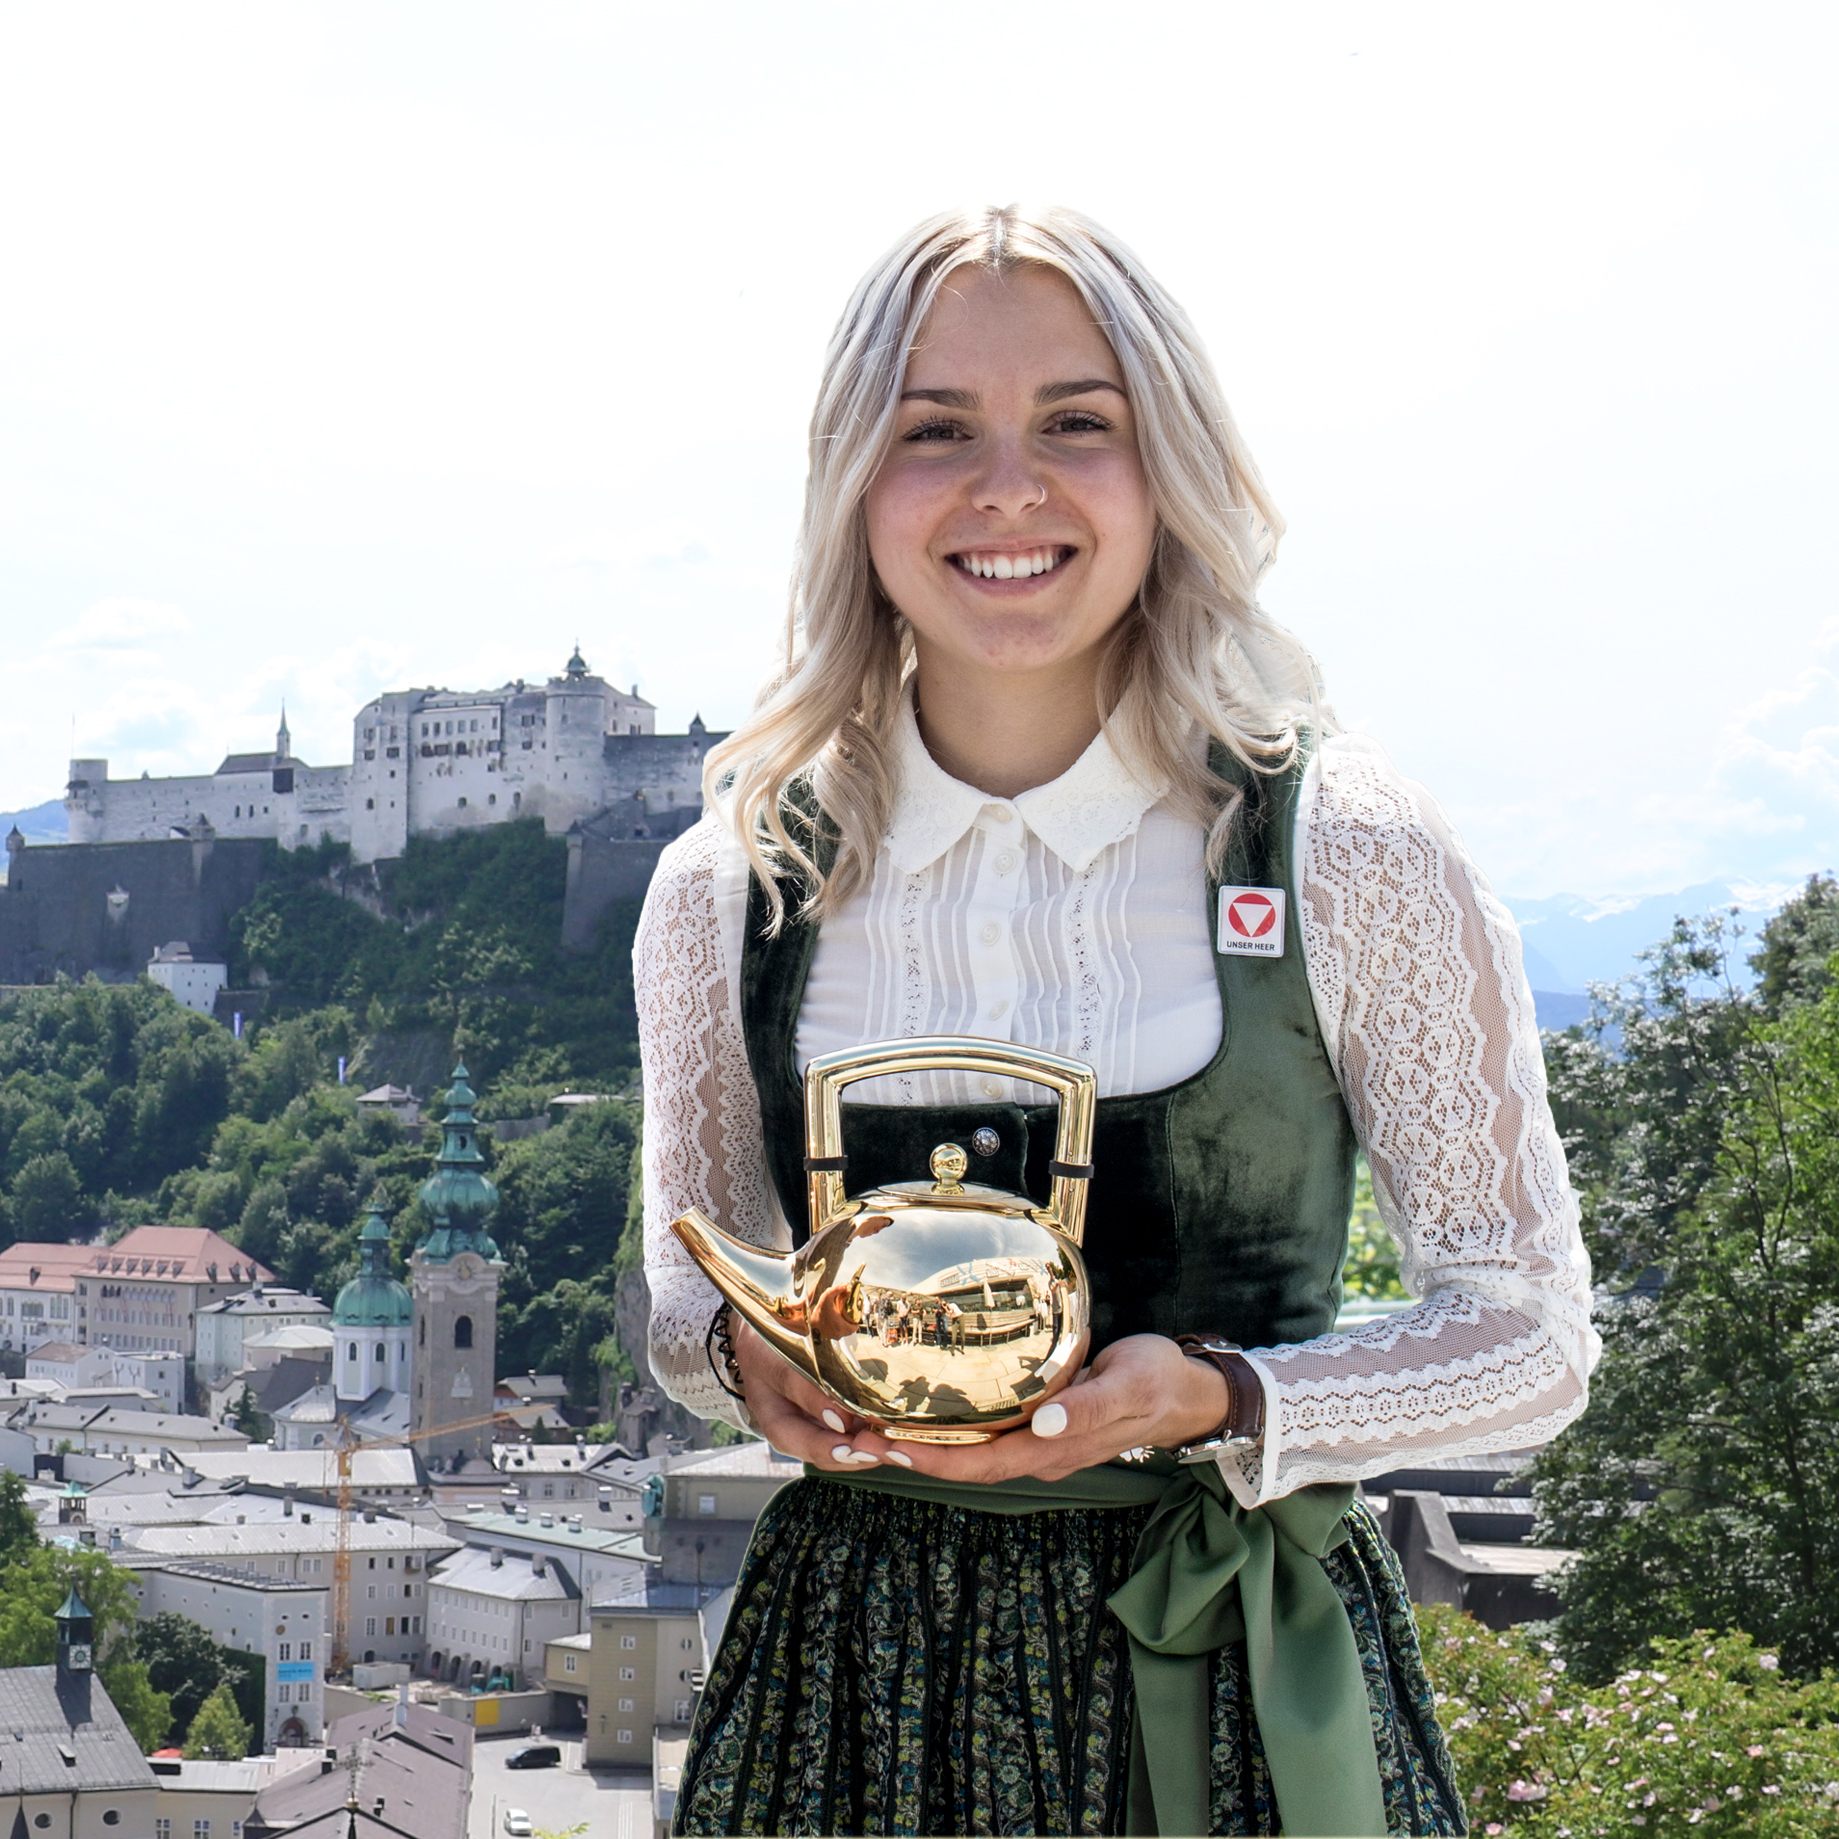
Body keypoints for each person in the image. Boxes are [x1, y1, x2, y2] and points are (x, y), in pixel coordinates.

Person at [636, 205, 1599, 1837]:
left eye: (1079, 423)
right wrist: (741, 1356)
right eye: (935, 430)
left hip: (1227, 1665)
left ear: (1171, 469)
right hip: (857, 1694)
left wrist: (1220, 1395)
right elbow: (685, 1271)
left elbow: (1533, 1337)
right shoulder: (730, 882)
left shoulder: (1344, 851)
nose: (1008, 486)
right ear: (854, 484)